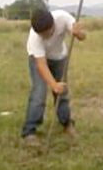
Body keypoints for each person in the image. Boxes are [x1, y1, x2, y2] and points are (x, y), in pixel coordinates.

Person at [21, 9, 86, 144]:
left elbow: (83, 36)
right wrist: (53, 85)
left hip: (59, 57)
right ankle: (29, 131)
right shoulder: (35, 37)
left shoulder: (63, 17)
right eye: (42, 35)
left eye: (47, 33)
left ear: (53, 25)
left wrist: (78, 33)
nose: (44, 37)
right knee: (39, 92)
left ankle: (66, 123)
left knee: (62, 92)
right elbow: (41, 65)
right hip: (39, 60)